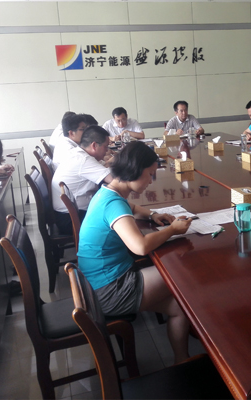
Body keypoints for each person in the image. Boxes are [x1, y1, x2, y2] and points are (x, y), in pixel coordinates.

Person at [77, 141, 192, 364]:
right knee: (181, 272)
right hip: (109, 290)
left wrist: (152, 215)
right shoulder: (113, 205)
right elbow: (140, 246)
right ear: (134, 170)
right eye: (150, 174)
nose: (151, 180)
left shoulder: (107, 193)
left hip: (95, 284)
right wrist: (172, 229)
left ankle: (182, 360)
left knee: (179, 306)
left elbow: (131, 208)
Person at [51, 125, 113, 235]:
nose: (107, 150)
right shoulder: (83, 160)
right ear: (94, 145)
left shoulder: (78, 153)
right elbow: (113, 180)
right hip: (70, 220)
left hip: (67, 215)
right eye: (105, 147)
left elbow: (105, 168)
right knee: (118, 214)